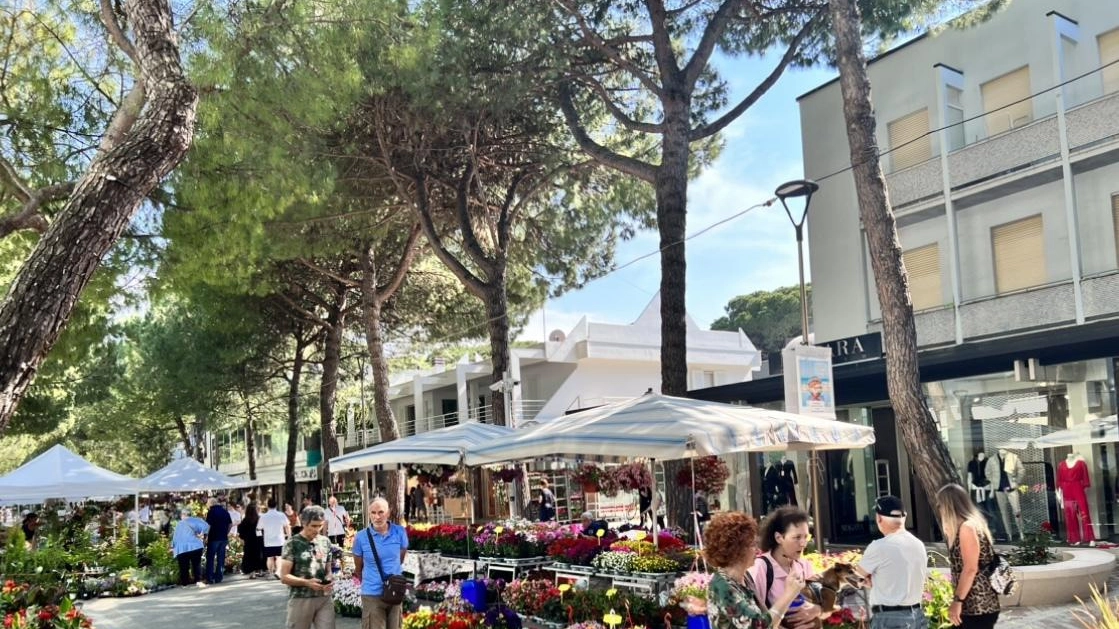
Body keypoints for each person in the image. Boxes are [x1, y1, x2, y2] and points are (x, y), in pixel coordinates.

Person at [705, 511, 804, 629]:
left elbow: (765, 617)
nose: (757, 550)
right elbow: (759, 626)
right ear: (737, 549)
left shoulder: (744, 578)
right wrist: (789, 594)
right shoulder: (722, 586)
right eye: (752, 544)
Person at [855, 496, 928, 629]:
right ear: (904, 517)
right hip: (917, 616)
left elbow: (856, 577)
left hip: (889, 618)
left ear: (879, 518)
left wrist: (865, 580)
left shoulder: (879, 546)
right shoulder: (919, 545)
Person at [937, 484, 1000, 628]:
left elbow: (970, 569)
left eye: (940, 505)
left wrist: (957, 601)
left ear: (949, 506)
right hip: (975, 605)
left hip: (977, 605)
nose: (939, 509)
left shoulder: (967, 528)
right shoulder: (968, 526)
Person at [747, 506, 821, 629]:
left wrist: (817, 610)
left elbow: (821, 602)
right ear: (779, 538)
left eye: (806, 537)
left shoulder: (804, 565)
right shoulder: (761, 567)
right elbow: (754, 619)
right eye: (797, 537)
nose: (803, 543)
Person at [352, 497, 409, 629]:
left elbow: (400, 558)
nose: (377, 517)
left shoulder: (399, 532)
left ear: (388, 513)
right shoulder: (361, 537)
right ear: (369, 514)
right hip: (372, 593)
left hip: (395, 592)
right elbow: (358, 568)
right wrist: (371, 580)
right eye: (373, 513)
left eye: (381, 512)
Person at [279, 506, 336, 629]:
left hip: (324, 598)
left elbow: (328, 569)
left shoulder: (325, 541)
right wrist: (306, 582)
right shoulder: (292, 544)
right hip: (301, 598)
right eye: (314, 526)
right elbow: (284, 577)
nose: (317, 530)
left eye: (320, 526)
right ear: (304, 523)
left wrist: (329, 577)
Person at [171, 509, 210, 587]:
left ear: (183, 515)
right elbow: (207, 526)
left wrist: (173, 546)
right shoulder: (196, 520)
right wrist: (202, 534)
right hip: (195, 546)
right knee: (196, 564)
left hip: (181, 548)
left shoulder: (179, 524)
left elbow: (175, 537)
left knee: (183, 566)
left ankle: (185, 583)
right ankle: (198, 580)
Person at [259, 497, 292, 579]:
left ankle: (270, 573)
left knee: (269, 558)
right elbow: (287, 526)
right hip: (279, 539)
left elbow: (259, 527)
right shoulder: (281, 515)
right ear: (276, 505)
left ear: (268, 505)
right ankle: (278, 572)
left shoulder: (264, 516)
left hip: (268, 540)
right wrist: (289, 536)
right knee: (279, 557)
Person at [204, 496, 233, 584]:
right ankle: (219, 577)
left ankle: (209, 578)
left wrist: (205, 536)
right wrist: (226, 533)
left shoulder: (211, 512)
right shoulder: (225, 511)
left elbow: (208, 525)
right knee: (221, 558)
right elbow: (230, 524)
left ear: (211, 504)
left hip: (214, 538)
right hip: (223, 538)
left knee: (210, 558)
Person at [239, 502, 267, 578]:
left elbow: (241, 530)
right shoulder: (258, 519)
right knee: (259, 555)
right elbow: (263, 529)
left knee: (249, 556)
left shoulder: (245, 520)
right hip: (258, 540)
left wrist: (243, 537)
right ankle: (261, 571)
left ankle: (252, 573)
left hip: (249, 541)